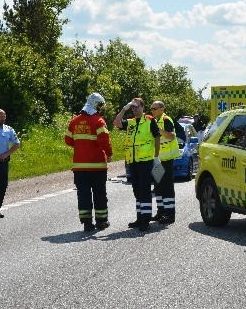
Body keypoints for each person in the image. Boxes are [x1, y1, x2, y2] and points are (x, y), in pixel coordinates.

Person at [65, 92, 113, 232]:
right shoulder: (98, 121)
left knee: (83, 195)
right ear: (96, 105)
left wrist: (81, 146)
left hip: (79, 167)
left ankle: (87, 223)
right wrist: (109, 154)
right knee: (99, 194)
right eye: (100, 105)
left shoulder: (74, 121)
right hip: (97, 166)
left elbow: (68, 140)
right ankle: (101, 221)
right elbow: (104, 140)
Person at [113, 97, 160, 231]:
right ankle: (140, 218)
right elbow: (116, 123)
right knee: (137, 191)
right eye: (132, 107)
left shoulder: (149, 120)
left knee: (145, 191)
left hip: (145, 161)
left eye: (136, 106)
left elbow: (157, 138)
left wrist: (156, 157)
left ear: (142, 107)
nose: (134, 109)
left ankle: (146, 220)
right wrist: (124, 108)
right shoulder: (131, 122)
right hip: (132, 162)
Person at [150, 101, 180, 224]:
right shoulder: (154, 120)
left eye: (154, 108)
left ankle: (170, 215)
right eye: (151, 108)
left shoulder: (166, 119)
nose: (152, 110)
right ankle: (161, 211)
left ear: (162, 109)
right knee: (158, 187)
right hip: (157, 160)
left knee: (167, 187)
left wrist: (159, 129)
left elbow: (171, 136)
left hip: (167, 159)